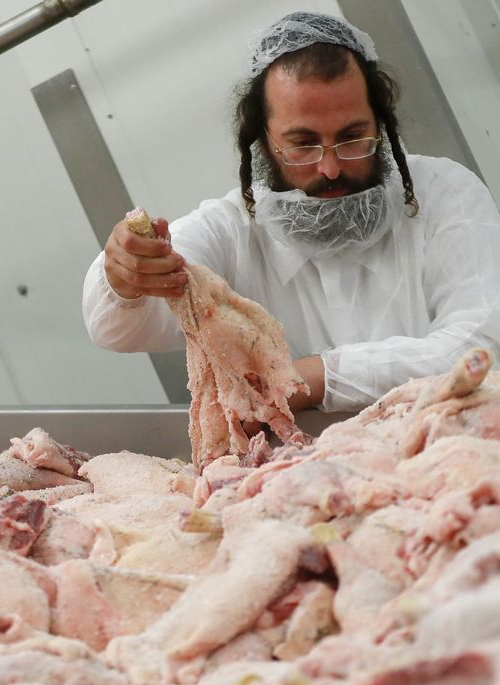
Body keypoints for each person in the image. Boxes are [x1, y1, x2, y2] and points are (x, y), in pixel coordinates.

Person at [82, 11, 500, 413]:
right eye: (303, 144)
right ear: (263, 142)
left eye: (353, 137)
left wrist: (315, 377)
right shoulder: (232, 230)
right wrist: (126, 274)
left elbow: (482, 347)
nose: (330, 167)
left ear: (381, 124)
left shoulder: (445, 195)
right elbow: (119, 329)